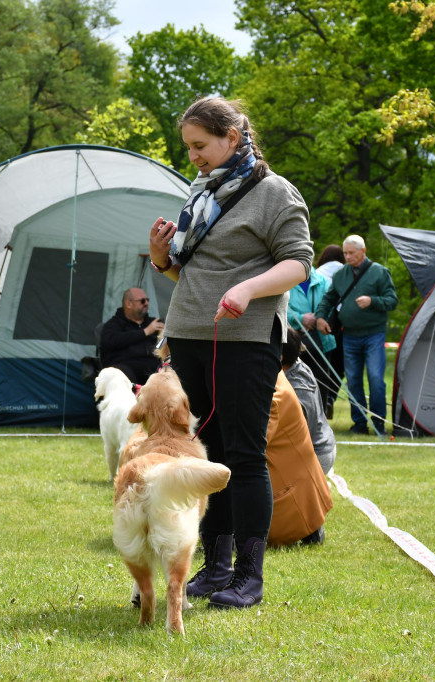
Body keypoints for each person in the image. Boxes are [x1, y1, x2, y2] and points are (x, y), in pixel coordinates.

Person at [148, 96, 313, 609]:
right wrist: (161, 260)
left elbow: (299, 263)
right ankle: (215, 567)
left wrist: (248, 288)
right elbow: (191, 272)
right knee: (207, 453)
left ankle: (248, 576)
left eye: (200, 145)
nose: (193, 156)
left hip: (246, 339)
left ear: (232, 138)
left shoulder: (275, 192)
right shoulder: (202, 191)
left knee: (243, 455)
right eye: (188, 148)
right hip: (188, 336)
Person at [315, 235, 397, 435]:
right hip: (350, 335)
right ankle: (359, 424)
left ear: (363, 251)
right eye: (345, 253)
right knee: (353, 381)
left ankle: (378, 423)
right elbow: (329, 299)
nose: (348, 257)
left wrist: (372, 301)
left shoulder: (379, 272)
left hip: (374, 334)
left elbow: (392, 301)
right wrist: (320, 317)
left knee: (376, 378)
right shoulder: (341, 274)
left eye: (352, 253)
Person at [264, 368, 333, 548]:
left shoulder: (276, 394)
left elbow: (251, 447)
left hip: (292, 492)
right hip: (299, 476)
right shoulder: (276, 377)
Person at [281, 327, 336, 474]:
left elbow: (296, 432)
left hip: (315, 454)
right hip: (316, 447)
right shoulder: (293, 365)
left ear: (279, 356)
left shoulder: (299, 387)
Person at [286, 267, 337, 416]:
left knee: (321, 383)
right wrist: (300, 319)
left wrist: (319, 318)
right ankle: (296, 418)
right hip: (293, 342)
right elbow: (280, 307)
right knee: (294, 382)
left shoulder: (322, 281)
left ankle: (320, 418)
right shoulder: (286, 280)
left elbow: (331, 304)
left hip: (322, 342)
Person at [98, 288, 163, 385]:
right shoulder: (113, 325)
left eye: (147, 300)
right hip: (126, 369)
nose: (146, 303)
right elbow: (112, 342)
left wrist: (164, 337)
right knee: (120, 376)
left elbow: (161, 346)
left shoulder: (154, 323)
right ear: (129, 304)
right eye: (142, 301)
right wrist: (145, 332)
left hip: (153, 370)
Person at [313, 244, 346, 417]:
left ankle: (318, 401)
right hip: (342, 326)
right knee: (338, 366)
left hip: (320, 325)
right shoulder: (348, 273)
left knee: (320, 364)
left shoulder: (317, 274)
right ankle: (330, 398)